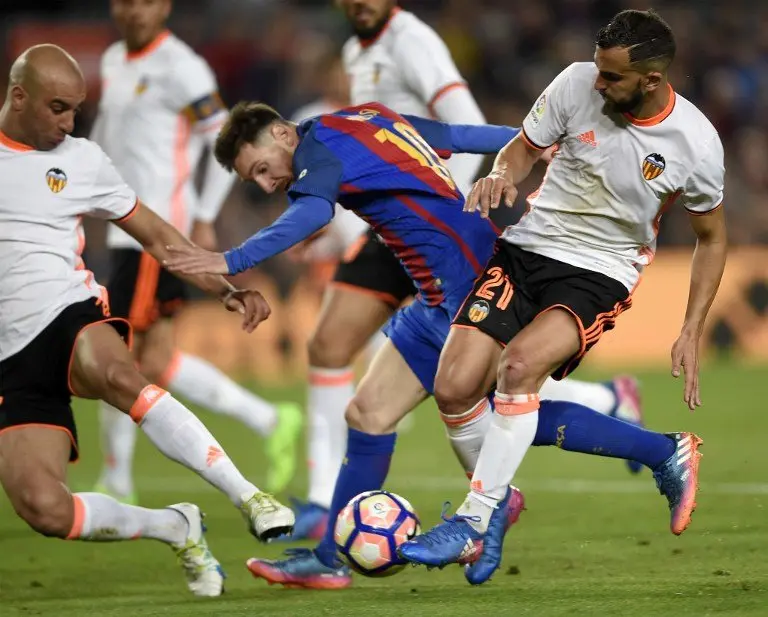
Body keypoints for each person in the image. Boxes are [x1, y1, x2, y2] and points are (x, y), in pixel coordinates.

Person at [164, 101, 696, 590]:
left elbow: (314, 214)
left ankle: (658, 452)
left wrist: (230, 261)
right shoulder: (361, 119)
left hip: (468, 281)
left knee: (503, 412)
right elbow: (452, 134)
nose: (264, 183)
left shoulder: (316, 152)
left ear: (282, 133)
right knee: (368, 412)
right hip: (434, 292)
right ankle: (331, 558)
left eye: (260, 168)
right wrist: (528, 140)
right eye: (253, 179)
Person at [292, 0, 645, 542]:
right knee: (341, 359)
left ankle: (496, 498)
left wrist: (433, 198)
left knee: (485, 386)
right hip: (390, 225)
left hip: (432, 223)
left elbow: (460, 121)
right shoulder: (354, 49)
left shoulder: (412, 40)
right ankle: (329, 515)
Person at [399, 9, 726, 586]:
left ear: (651, 80)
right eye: (599, 70)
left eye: (613, 77)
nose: (598, 83)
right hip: (528, 248)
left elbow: (712, 237)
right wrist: (502, 175)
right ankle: (657, 452)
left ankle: (475, 519)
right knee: (452, 389)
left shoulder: (695, 145)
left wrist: (692, 326)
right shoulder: (576, 81)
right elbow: (523, 149)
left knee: (518, 370)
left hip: (600, 269)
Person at [0, 44, 295, 598]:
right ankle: (173, 525)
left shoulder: (82, 160)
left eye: (75, 110)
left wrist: (226, 286)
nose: (69, 122)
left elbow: (158, 236)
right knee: (44, 509)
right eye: (57, 108)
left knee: (120, 376)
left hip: (66, 311)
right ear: (19, 97)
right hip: (8, 356)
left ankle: (247, 494)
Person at [90, 0, 302, 505]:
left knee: (117, 354)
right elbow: (104, 134)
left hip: (155, 230)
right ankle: (270, 418)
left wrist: (204, 217)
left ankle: (116, 480)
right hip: (124, 230)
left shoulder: (182, 65)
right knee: (155, 360)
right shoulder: (114, 60)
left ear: (163, 6)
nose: (133, 11)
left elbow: (222, 138)